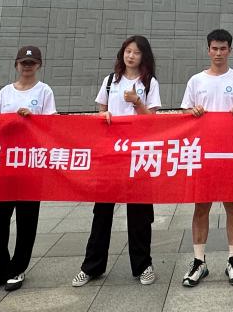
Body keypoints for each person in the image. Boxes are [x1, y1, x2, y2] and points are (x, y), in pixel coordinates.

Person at [72, 36, 161, 288]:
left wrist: (137, 102)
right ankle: (92, 266)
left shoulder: (149, 82)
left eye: (136, 52)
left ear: (144, 56)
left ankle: (143, 265)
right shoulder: (111, 80)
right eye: (127, 51)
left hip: (138, 154)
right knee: (102, 211)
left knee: (139, 212)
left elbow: (152, 120)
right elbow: (100, 111)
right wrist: (104, 115)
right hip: (111, 154)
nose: (131, 56)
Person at [180, 29, 233, 287]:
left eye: (223, 49)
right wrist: (193, 112)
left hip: (231, 154)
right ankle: (199, 261)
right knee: (201, 206)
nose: (219, 53)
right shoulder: (196, 81)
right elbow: (185, 115)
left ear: (230, 50)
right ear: (208, 50)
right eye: (215, 48)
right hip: (203, 153)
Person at [0, 46, 57, 293]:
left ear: (39, 65)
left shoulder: (44, 91)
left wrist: (32, 118)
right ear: (16, 64)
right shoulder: (5, 92)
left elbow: (51, 124)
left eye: (32, 63)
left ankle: (18, 267)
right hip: (4, 163)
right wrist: (8, 122)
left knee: (27, 219)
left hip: (30, 163)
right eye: (23, 62)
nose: (27, 67)